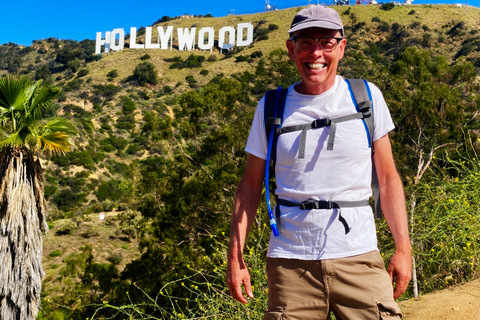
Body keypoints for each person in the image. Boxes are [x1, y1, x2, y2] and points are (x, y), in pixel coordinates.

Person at [227, 5, 412, 320]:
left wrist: (403, 250)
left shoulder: (367, 97)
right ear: (291, 49)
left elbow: (388, 178)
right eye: (305, 42)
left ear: (341, 48)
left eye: (327, 42)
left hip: (359, 258)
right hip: (290, 266)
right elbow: (249, 185)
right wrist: (235, 257)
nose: (316, 52)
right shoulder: (270, 107)